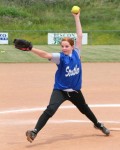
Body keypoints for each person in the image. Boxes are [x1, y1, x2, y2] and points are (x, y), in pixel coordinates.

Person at [25, 11, 110, 143]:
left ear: (72, 46)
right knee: (50, 110)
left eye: (67, 46)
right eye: (62, 46)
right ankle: (34, 132)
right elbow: (45, 55)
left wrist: (77, 17)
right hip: (60, 90)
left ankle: (98, 124)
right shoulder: (60, 58)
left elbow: (80, 35)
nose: (64, 48)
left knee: (85, 109)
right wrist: (31, 49)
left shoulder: (77, 53)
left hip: (75, 91)